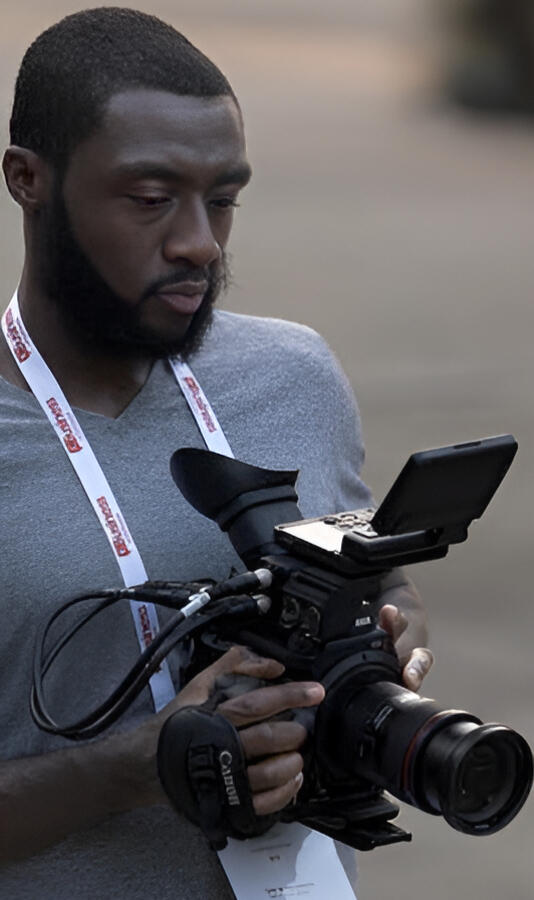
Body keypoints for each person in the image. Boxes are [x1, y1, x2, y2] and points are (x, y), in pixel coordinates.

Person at [0, 8, 432, 899]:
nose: (199, 241)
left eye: (223, 199)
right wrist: (134, 770)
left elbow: (365, 566)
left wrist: (390, 618)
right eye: (151, 200)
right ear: (28, 180)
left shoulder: (295, 374)